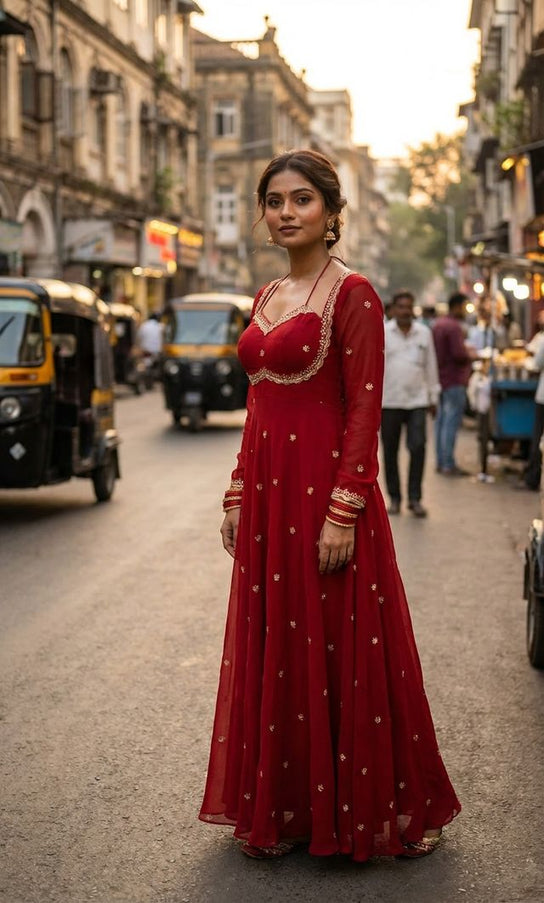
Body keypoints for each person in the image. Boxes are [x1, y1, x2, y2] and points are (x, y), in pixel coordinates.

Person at [198, 150, 460, 862]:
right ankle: (285, 808)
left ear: (332, 212)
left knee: (348, 648)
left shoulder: (354, 294)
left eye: (302, 199)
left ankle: (395, 806)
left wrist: (343, 508)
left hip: (325, 496)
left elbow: (364, 410)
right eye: (274, 200)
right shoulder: (265, 295)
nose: (286, 211)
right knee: (279, 645)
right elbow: (259, 405)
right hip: (270, 497)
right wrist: (237, 491)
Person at [381, 290, 440, 517]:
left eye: (409, 307)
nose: (405, 311)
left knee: (418, 448)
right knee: (390, 451)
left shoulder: (424, 333)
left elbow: (431, 366)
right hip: (389, 400)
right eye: (401, 307)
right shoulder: (384, 332)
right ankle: (395, 498)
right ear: (394, 309)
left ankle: (415, 498)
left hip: (417, 401)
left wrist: (433, 397)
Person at [432, 292, 477, 475]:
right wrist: (471, 355)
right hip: (454, 380)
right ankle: (448, 463)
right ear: (457, 306)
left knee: (441, 422)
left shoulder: (438, 325)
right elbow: (459, 354)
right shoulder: (453, 327)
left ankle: (441, 461)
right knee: (450, 422)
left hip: (441, 379)